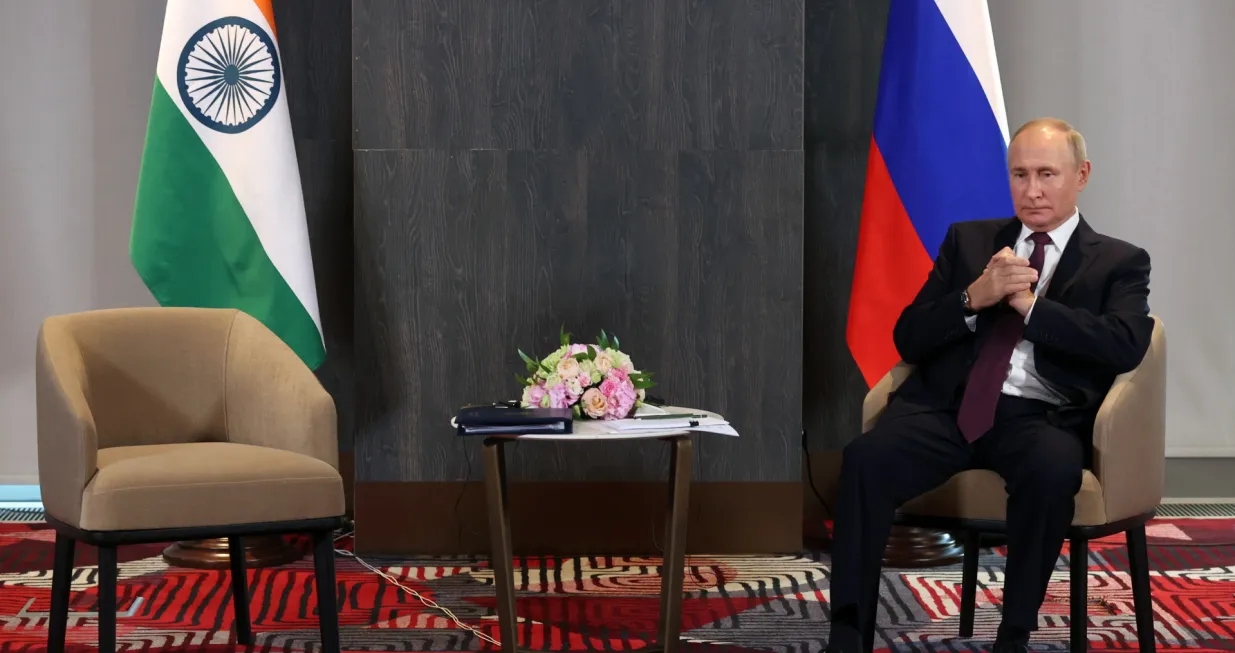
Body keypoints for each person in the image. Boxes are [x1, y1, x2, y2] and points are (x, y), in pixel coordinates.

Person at [824, 118, 1155, 653]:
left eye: (1047, 173)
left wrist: (1032, 309)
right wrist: (971, 299)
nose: (1033, 190)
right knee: (864, 460)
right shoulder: (969, 239)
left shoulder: (1119, 261)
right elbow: (908, 337)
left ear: (1082, 175)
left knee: (1052, 473)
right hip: (947, 409)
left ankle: (1014, 634)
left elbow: (1122, 344)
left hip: (1039, 417)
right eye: (1020, 174)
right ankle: (847, 634)